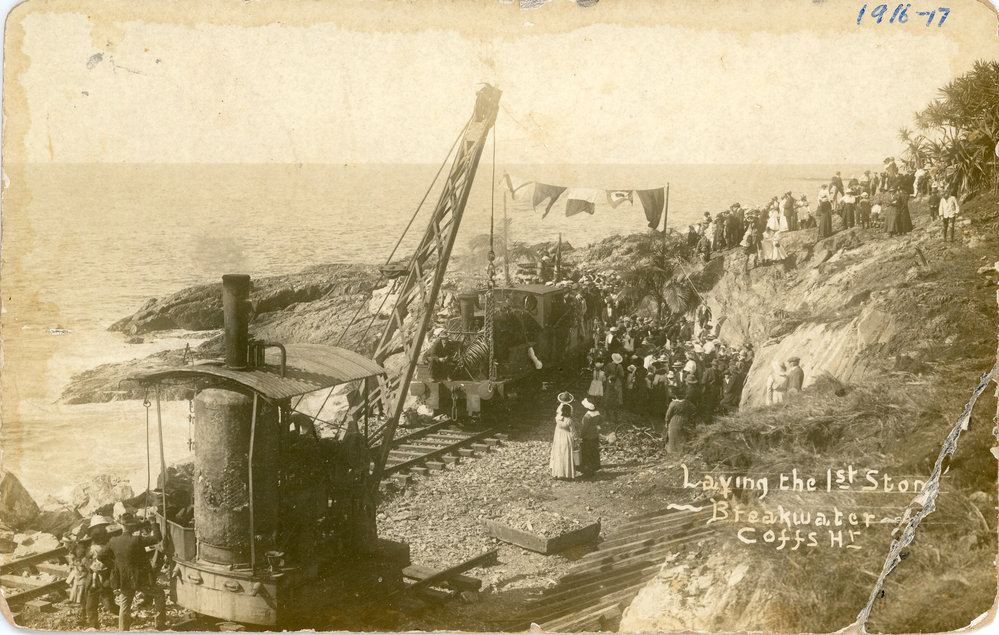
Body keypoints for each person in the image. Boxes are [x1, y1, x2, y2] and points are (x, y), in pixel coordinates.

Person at [108, 515, 166, 631]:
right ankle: (160, 625)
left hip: (124, 579)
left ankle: (123, 630)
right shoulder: (137, 540)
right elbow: (157, 538)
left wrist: (116, 566)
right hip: (141, 579)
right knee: (159, 594)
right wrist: (153, 522)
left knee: (124, 606)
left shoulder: (113, 541)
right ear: (132, 527)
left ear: (121, 525)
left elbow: (100, 556)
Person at [550, 393, 576, 480]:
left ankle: (557, 472)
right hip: (567, 435)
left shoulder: (558, 416)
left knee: (558, 453)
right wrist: (576, 440)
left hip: (559, 433)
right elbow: (573, 431)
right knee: (567, 454)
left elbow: (558, 418)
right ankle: (567, 473)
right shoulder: (570, 417)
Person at [664, 387, 695, 454]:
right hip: (684, 420)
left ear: (675, 395)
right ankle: (683, 449)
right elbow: (694, 409)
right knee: (683, 434)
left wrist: (666, 421)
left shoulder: (673, 403)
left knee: (673, 435)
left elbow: (668, 414)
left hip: (674, 421)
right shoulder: (687, 402)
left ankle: (673, 450)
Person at [578, 398, 603, 476]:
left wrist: (581, 436)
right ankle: (595, 466)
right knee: (594, 451)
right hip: (595, 435)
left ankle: (587, 470)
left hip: (588, 436)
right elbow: (600, 422)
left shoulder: (587, 416)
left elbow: (584, 428)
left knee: (587, 453)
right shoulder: (597, 413)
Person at [603, 352, 625, 422]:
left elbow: (605, 374)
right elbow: (622, 375)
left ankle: (607, 416)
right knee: (616, 400)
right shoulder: (620, 366)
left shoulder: (608, 365)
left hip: (610, 383)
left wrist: (610, 376)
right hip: (617, 384)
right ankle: (615, 417)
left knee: (608, 398)